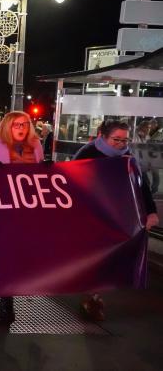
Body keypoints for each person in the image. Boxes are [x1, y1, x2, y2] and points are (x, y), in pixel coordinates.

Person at [73, 119, 159, 322]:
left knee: (109, 258)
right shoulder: (87, 154)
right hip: (92, 216)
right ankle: (92, 297)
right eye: (116, 140)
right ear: (102, 136)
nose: (121, 144)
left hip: (118, 214)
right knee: (95, 258)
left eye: (125, 140)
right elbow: (73, 183)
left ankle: (95, 295)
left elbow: (141, 184)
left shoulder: (128, 157)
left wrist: (151, 211)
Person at [0, 111, 44, 325]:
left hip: (24, 211)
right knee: (0, 253)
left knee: (15, 255)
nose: (22, 128)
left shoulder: (36, 145)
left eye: (25, 124)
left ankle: (3, 298)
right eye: (16, 125)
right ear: (7, 126)